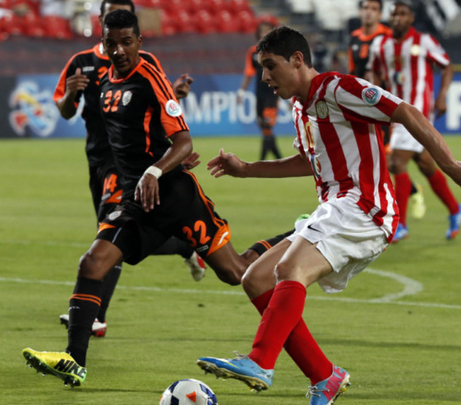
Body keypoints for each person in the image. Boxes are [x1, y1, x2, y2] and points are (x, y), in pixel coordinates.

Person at [196, 26, 461, 405]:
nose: (265, 76)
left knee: (290, 270)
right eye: (261, 68)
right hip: (336, 207)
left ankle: (260, 361)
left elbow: (405, 110)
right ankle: (324, 376)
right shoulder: (299, 106)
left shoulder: (337, 87)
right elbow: (310, 161)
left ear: (298, 60)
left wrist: (448, 164)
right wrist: (248, 168)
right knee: (256, 278)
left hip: (365, 206)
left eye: (270, 66)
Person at [22, 10, 292, 387]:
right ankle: (74, 360)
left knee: (236, 272)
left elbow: (184, 141)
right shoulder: (101, 81)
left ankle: (294, 238)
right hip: (136, 199)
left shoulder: (147, 73)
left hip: (175, 194)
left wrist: (156, 168)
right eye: (111, 43)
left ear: (139, 42)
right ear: (103, 39)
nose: (118, 50)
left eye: (126, 42)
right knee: (93, 263)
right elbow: (135, 130)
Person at [53, 0, 204, 338]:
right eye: (109, 15)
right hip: (99, 158)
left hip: (132, 165)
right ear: (102, 20)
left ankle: (95, 316)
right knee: (115, 234)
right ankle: (185, 245)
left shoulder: (144, 61)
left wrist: (170, 146)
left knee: (110, 232)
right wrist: (70, 97)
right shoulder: (81, 63)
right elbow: (64, 110)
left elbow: (161, 104)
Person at [367, 0, 461, 243]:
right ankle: (455, 209)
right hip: (394, 110)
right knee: (425, 164)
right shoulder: (382, 44)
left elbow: (447, 66)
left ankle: (400, 225)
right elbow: (374, 71)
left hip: (417, 111)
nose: (397, 18)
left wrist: (442, 96)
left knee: (397, 162)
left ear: (411, 19)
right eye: (394, 13)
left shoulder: (424, 41)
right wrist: (373, 84)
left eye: (403, 14)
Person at [349, 0, 426, 220]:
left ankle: (391, 206)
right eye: (365, 8)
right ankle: (395, 199)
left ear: (381, 13)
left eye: (374, 9)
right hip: (360, 106)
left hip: (384, 107)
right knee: (377, 159)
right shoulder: (354, 37)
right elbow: (353, 72)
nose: (369, 13)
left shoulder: (387, 37)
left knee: (385, 159)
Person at [237, 18, 282, 160]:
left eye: (268, 30)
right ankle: (276, 158)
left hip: (273, 93)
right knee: (263, 126)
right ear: (259, 33)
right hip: (259, 93)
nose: (265, 33)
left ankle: (263, 159)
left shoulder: (278, 52)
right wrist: (241, 92)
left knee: (267, 125)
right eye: (263, 31)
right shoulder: (253, 52)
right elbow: (249, 73)